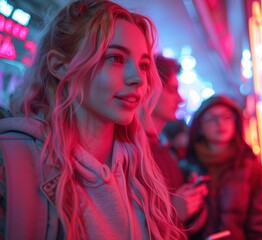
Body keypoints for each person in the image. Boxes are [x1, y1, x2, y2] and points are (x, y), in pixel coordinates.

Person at [0, 1, 186, 239]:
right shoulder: (12, 162)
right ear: (59, 66)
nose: (138, 78)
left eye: (143, 65)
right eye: (116, 58)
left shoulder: (143, 174)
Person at [181, 95, 262, 240]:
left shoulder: (251, 169)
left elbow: (261, 225)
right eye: (211, 118)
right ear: (199, 127)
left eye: (226, 117)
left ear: (236, 122)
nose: (220, 123)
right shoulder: (186, 167)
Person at [147, 54, 208, 234]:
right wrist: (174, 213)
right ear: (150, 89)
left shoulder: (164, 151)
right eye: (172, 90)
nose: (180, 99)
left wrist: (192, 199)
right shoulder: (133, 155)